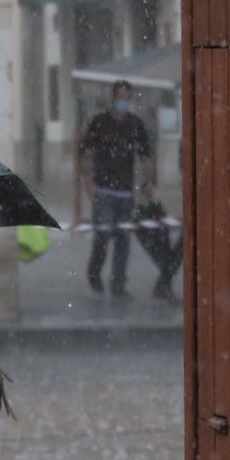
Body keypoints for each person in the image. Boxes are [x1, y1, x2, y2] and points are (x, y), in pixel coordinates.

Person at [77, 80, 158, 299]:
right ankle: (94, 273)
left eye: (127, 98)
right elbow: (84, 153)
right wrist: (88, 181)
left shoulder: (135, 124)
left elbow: (146, 156)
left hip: (126, 193)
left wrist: (149, 182)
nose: (123, 102)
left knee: (123, 242)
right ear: (113, 98)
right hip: (103, 191)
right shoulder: (100, 122)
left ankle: (118, 286)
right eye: (120, 97)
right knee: (102, 237)